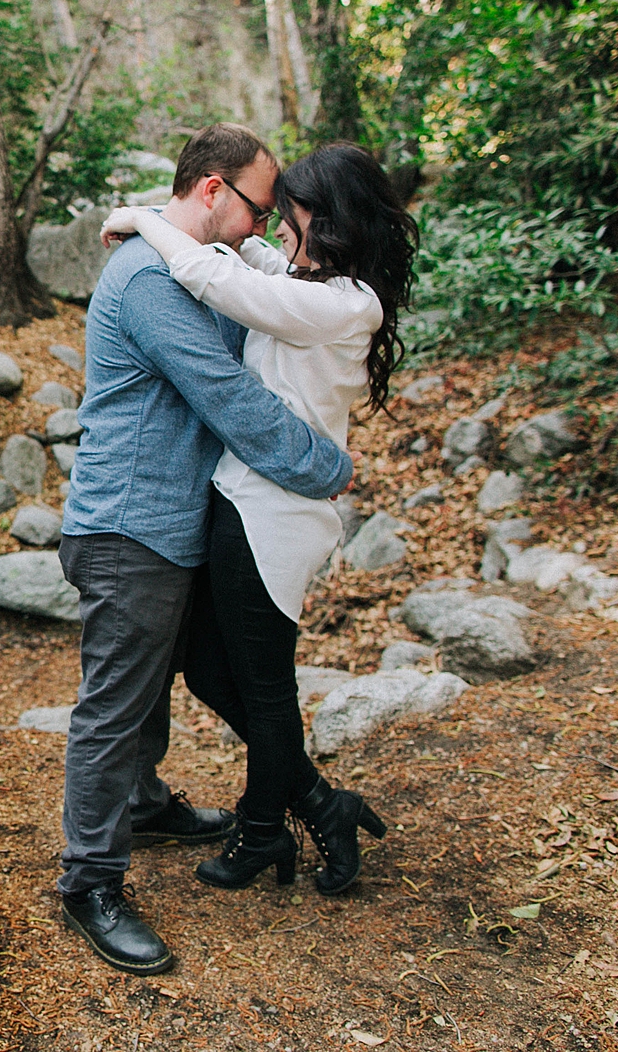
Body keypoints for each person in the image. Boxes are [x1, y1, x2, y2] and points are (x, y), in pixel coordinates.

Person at [56, 124, 354, 976]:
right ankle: (90, 882)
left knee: (154, 684)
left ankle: (143, 804)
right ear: (214, 189)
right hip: (128, 524)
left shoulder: (198, 266)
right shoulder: (151, 278)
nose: (266, 229)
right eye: (260, 208)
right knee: (114, 706)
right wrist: (324, 466)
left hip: (175, 520)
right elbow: (229, 397)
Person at [99, 142, 416, 899]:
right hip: (244, 499)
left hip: (275, 513)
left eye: (290, 216)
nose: (275, 228)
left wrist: (145, 221)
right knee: (212, 670)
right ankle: (319, 805)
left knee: (266, 689)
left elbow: (215, 275)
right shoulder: (313, 281)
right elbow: (251, 260)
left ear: (328, 220)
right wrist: (170, 219)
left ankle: (263, 832)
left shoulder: (342, 303)